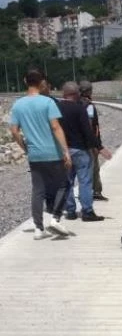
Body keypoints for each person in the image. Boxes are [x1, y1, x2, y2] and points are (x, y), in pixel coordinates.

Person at [9, 68, 73, 239]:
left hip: (35, 155)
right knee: (64, 184)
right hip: (52, 153)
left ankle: (38, 229)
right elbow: (55, 127)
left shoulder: (18, 105)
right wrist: (66, 151)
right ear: (42, 83)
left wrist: (24, 147)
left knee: (38, 190)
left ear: (25, 81)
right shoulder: (48, 102)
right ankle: (55, 218)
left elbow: (14, 131)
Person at [58, 81, 110, 221]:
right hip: (80, 149)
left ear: (64, 94)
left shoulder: (56, 107)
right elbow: (88, 131)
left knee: (67, 181)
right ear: (76, 94)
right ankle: (87, 211)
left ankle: (70, 211)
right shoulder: (79, 109)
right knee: (85, 181)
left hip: (64, 151)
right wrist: (99, 147)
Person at [79, 81, 110, 202]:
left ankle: (85, 192)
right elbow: (91, 125)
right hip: (90, 142)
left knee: (83, 170)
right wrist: (96, 144)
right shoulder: (89, 105)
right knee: (94, 168)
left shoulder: (76, 103)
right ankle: (96, 191)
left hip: (79, 142)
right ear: (88, 91)